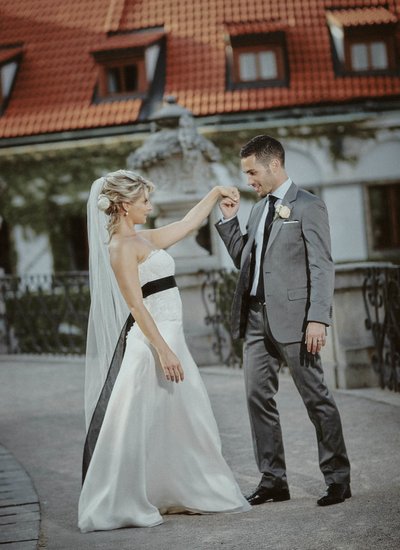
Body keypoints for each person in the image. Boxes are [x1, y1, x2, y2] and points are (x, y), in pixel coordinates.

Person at [78, 170, 250, 532]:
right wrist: (163, 351)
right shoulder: (120, 248)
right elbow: (137, 307)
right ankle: (120, 501)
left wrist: (215, 191)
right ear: (125, 206)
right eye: (144, 202)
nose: (149, 207)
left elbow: (188, 224)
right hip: (151, 347)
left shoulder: (145, 238)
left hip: (172, 342)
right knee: (137, 425)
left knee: (183, 420)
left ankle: (179, 489)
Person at [215, 135, 351, 507]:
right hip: (256, 320)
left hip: (297, 321)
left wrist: (318, 319)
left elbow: (322, 266)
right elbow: (246, 261)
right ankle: (273, 480)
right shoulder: (258, 210)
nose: (248, 180)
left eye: (252, 171)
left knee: (316, 398)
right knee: (257, 396)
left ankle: (338, 477)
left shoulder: (309, 206)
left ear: (274, 164)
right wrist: (230, 222)